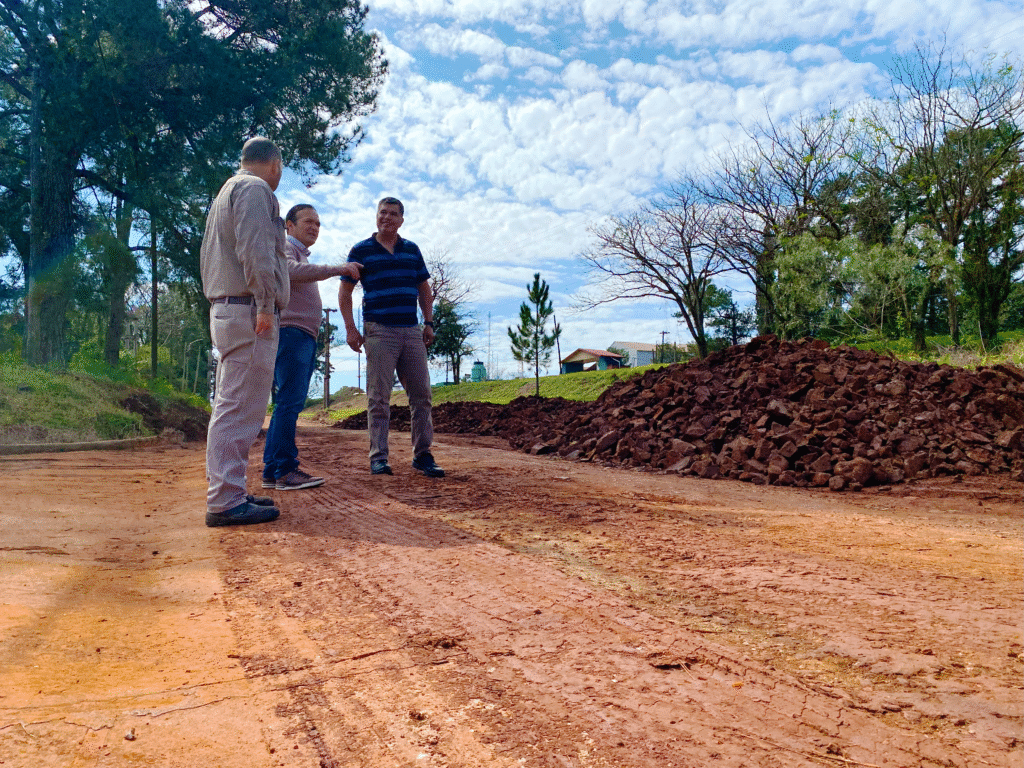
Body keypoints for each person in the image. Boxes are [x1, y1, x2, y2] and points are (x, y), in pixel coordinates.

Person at [200, 137, 289, 527]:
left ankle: (230, 489)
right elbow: (257, 250)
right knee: (237, 408)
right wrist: (266, 306)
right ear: (275, 163)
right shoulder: (254, 189)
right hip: (249, 311)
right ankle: (224, 500)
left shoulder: (227, 191)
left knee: (234, 405)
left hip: (231, 308)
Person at [339, 197, 445, 478]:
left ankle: (423, 455)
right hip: (379, 331)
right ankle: (379, 458)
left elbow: (424, 289)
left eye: (393, 214)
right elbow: (345, 293)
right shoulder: (361, 250)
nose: (387, 218)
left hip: (411, 330)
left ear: (401, 219)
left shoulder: (412, 250)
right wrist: (351, 329)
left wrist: (429, 322)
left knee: (422, 396)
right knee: (378, 398)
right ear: (376, 216)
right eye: (382, 213)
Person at [262, 204, 361, 490]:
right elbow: (290, 272)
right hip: (291, 333)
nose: (315, 227)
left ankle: (272, 469)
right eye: (308, 221)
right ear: (289, 226)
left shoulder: (297, 251)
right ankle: (284, 470)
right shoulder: (284, 247)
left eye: (318, 223)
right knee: (290, 402)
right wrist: (338, 268)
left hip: (299, 334)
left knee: (286, 403)